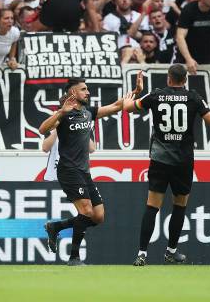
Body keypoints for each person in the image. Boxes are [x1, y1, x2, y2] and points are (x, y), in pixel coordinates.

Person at [123, 64, 210, 266]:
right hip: (183, 161)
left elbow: (127, 107)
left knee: (152, 207)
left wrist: (136, 91)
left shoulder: (156, 95)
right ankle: (171, 252)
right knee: (179, 205)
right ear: (185, 79)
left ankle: (141, 254)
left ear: (168, 78)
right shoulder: (194, 97)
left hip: (160, 159)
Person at [40, 74, 142, 265]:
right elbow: (42, 128)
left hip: (84, 172)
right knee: (86, 211)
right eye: (84, 89)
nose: (88, 92)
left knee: (98, 216)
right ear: (73, 92)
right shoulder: (64, 115)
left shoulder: (88, 112)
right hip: (68, 170)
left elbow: (115, 106)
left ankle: (55, 227)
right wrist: (61, 112)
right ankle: (74, 257)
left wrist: (135, 93)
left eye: (87, 89)